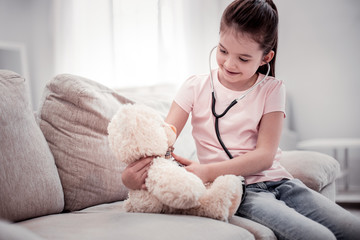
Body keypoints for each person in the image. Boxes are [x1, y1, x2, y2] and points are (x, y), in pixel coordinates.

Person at [121, 0, 360, 239]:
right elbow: (165, 137)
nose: (229, 64)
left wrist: (206, 171)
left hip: (283, 183)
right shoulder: (194, 86)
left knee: (352, 230)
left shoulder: (273, 89)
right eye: (223, 50)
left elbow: (265, 156)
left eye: (244, 59)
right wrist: (131, 176)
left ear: (266, 57)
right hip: (241, 191)